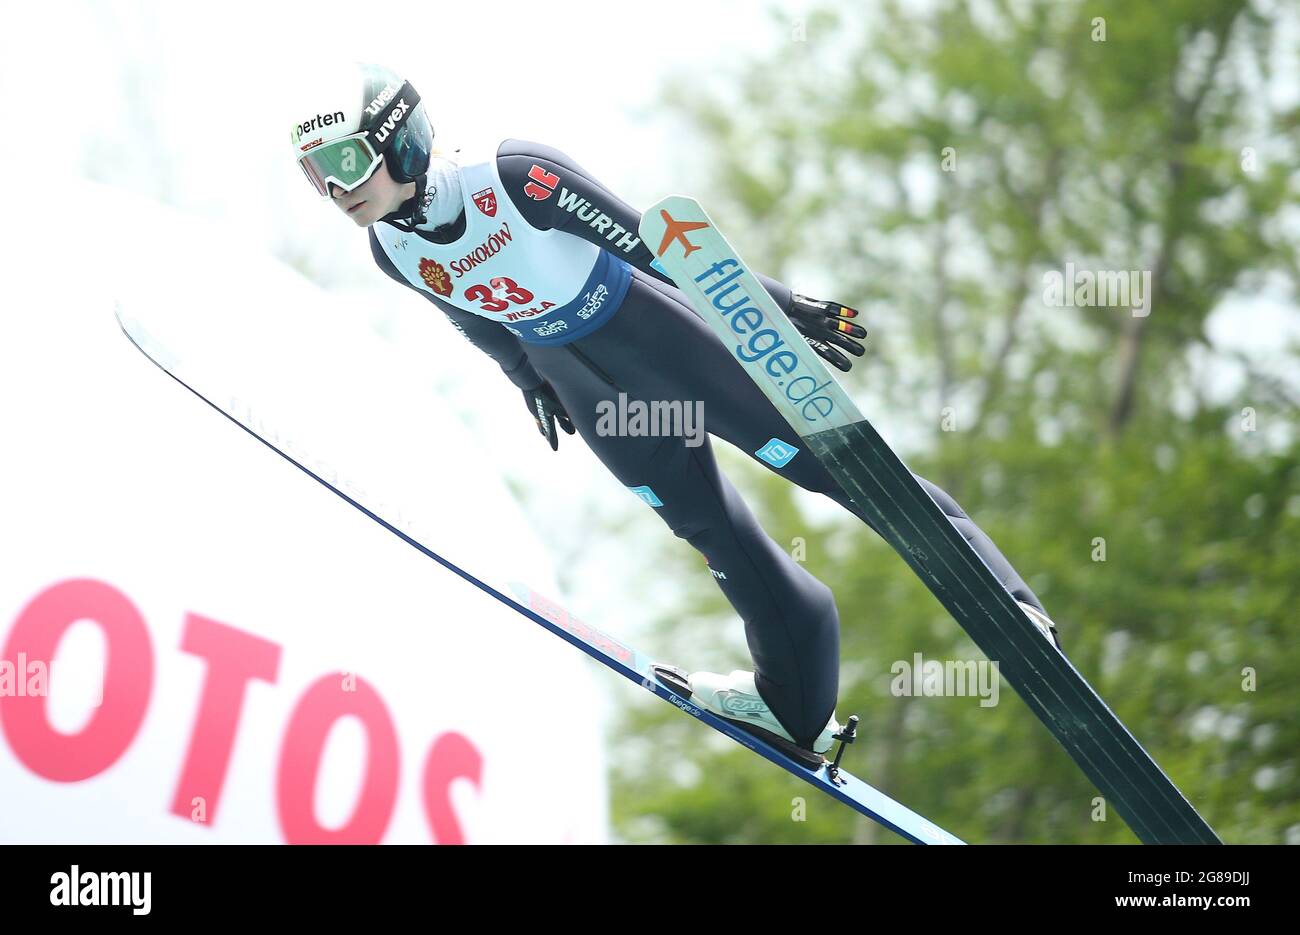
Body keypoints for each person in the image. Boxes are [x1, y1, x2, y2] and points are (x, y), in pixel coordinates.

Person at [289, 62, 1059, 763]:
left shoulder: (518, 177)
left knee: (842, 475)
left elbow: (660, 248)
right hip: (597, 396)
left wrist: (781, 308)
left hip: (669, 344)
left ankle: (1010, 605)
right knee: (713, 533)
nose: (334, 189)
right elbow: (474, 319)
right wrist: (528, 379)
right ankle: (794, 704)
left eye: (345, 163)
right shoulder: (391, 251)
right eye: (315, 174)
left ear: (402, 143)